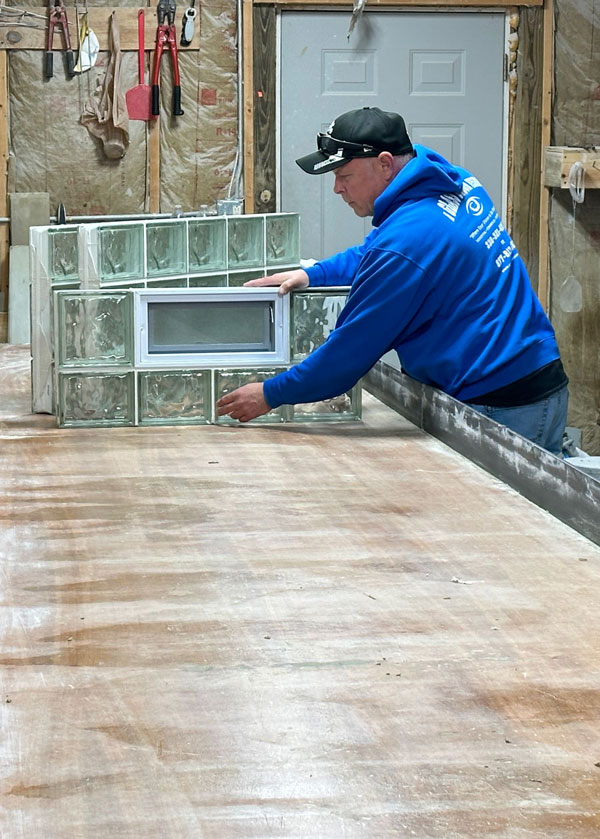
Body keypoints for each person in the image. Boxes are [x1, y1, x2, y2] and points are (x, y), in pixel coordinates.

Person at [217, 106, 569, 456]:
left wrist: (269, 394)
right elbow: (379, 253)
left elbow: (346, 356)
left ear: (384, 163)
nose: (337, 188)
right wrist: (313, 273)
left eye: (344, 175)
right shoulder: (452, 182)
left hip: (502, 405)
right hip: (540, 378)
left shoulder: (406, 243)